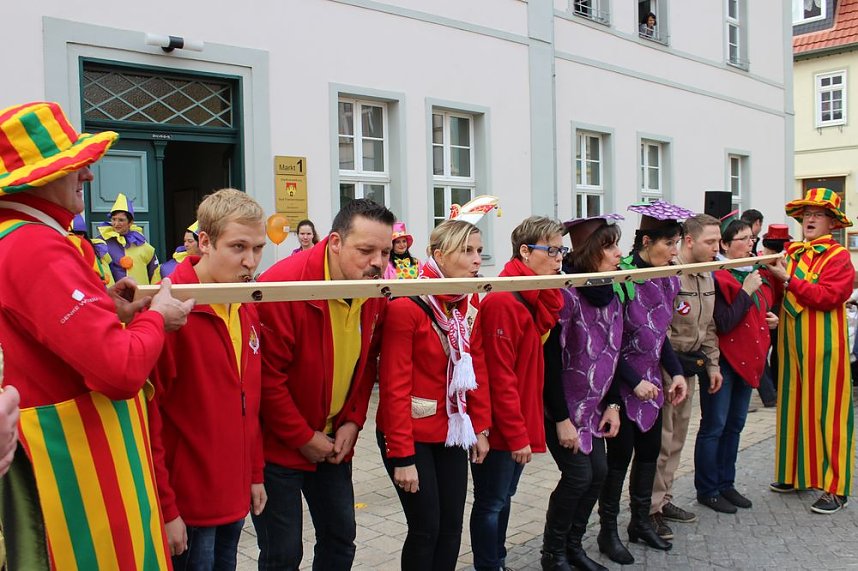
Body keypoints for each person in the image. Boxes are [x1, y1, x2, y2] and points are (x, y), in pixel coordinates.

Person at [0, 101, 192, 570]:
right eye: (76, 166)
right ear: (40, 178)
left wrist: (111, 310)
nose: (87, 175)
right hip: (77, 473)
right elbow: (120, 370)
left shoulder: (18, 237)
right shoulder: (34, 244)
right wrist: (157, 317)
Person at [251, 198, 394, 569]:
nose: (378, 262)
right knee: (283, 553)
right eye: (366, 250)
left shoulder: (372, 286)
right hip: (277, 446)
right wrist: (303, 437)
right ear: (334, 242)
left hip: (332, 440)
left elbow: (366, 366)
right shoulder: (284, 286)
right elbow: (267, 379)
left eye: (385, 251)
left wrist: (352, 420)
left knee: (340, 539)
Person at [149, 189, 268, 569]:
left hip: (232, 496)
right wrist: (166, 509)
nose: (250, 261)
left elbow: (249, 402)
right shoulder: (171, 314)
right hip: (188, 507)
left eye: (258, 248)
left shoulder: (244, 303)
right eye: (238, 247)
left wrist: (254, 474)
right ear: (204, 242)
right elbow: (151, 419)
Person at [376, 219, 491, 571]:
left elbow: (477, 368)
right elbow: (394, 387)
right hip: (410, 435)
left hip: (452, 430)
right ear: (439, 255)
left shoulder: (466, 303)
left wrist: (481, 427)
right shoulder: (407, 305)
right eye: (467, 251)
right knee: (426, 528)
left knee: (452, 527)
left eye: (479, 252)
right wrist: (402, 457)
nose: (476, 260)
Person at [597, 200, 691, 565]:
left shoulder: (667, 277)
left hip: (653, 384)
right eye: (669, 244)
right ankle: (608, 531)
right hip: (621, 384)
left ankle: (640, 522)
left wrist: (677, 371)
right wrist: (633, 382)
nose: (674, 252)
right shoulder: (623, 280)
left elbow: (659, 335)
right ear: (647, 241)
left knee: (649, 454)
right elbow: (610, 342)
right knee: (618, 460)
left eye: (677, 243)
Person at [469, 216, 565, 571]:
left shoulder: (538, 294)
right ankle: (489, 564)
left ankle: (498, 560)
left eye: (561, 250)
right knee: (492, 502)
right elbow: (499, 377)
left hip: (517, 417)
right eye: (551, 250)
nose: (559, 259)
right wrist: (516, 435)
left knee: (502, 498)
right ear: (525, 251)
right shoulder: (505, 300)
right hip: (500, 424)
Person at [540, 214, 624, 571]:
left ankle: (574, 546)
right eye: (610, 245)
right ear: (591, 251)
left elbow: (615, 351)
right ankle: (552, 552)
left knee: (598, 474)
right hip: (564, 408)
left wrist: (614, 404)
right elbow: (551, 361)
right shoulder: (567, 295)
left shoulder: (612, 289)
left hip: (596, 407)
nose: (619, 253)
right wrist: (560, 419)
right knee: (577, 477)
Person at [768, 188, 855, 514]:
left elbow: (828, 296)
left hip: (826, 347)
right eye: (806, 214)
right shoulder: (791, 252)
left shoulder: (840, 257)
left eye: (818, 214)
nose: (810, 218)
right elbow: (779, 290)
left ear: (832, 223)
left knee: (829, 415)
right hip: (791, 344)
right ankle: (794, 473)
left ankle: (835, 489)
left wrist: (789, 281)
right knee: (792, 407)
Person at [694, 218, 782, 515]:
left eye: (751, 238)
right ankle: (708, 489)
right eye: (743, 239)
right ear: (725, 245)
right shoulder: (717, 275)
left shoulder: (754, 272)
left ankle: (726, 483)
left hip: (750, 360)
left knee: (735, 426)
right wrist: (746, 291)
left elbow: (756, 310)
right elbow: (725, 322)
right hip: (723, 362)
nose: (751, 243)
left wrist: (769, 319)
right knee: (714, 426)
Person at [649, 214, 723, 540]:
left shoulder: (707, 276)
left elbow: (708, 329)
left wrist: (713, 365)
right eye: (710, 242)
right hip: (666, 371)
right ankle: (649, 510)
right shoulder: (671, 274)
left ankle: (664, 500)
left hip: (689, 371)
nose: (716, 248)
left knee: (678, 438)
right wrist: (670, 371)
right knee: (662, 442)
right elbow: (660, 328)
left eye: (718, 241)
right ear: (689, 241)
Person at [758, 224, 793, 407]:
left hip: (767, 307)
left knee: (767, 351)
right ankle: (773, 389)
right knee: (775, 350)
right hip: (777, 307)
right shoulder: (784, 261)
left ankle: (771, 391)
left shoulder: (760, 260)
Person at [95, 192, 160, 284]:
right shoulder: (101, 243)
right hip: (114, 295)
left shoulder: (140, 241)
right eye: (114, 219)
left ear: (130, 222)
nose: (116, 224)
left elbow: (154, 271)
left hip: (139, 294)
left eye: (121, 220)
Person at [69, 212, 114, 287]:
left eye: (79, 233)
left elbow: (110, 265)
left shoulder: (98, 247)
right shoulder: (64, 252)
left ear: (84, 234)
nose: (76, 237)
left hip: (108, 289)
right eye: (71, 234)